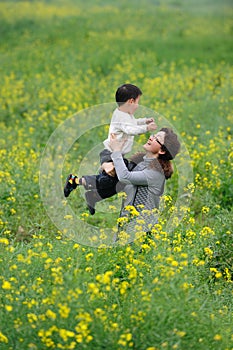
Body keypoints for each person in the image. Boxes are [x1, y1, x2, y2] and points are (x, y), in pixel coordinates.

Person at [64, 84, 157, 214]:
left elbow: (133, 123)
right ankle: (74, 181)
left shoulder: (124, 113)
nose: (138, 106)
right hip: (111, 153)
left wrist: (145, 121)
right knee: (108, 179)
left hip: (117, 154)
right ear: (131, 101)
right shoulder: (121, 117)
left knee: (119, 183)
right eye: (137, 102)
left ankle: (94, 196)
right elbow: (130, 129)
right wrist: (147, 128)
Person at [106, 127, 180, 238]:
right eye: (153, 135)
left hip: (141, 231)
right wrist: (106, 164)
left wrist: (116, 151)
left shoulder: (156, 173)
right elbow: (117, 175)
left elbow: (125, 177)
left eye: (156, 138)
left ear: (162, 150)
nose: (151, 138)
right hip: (126, 226)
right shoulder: (140, 164)